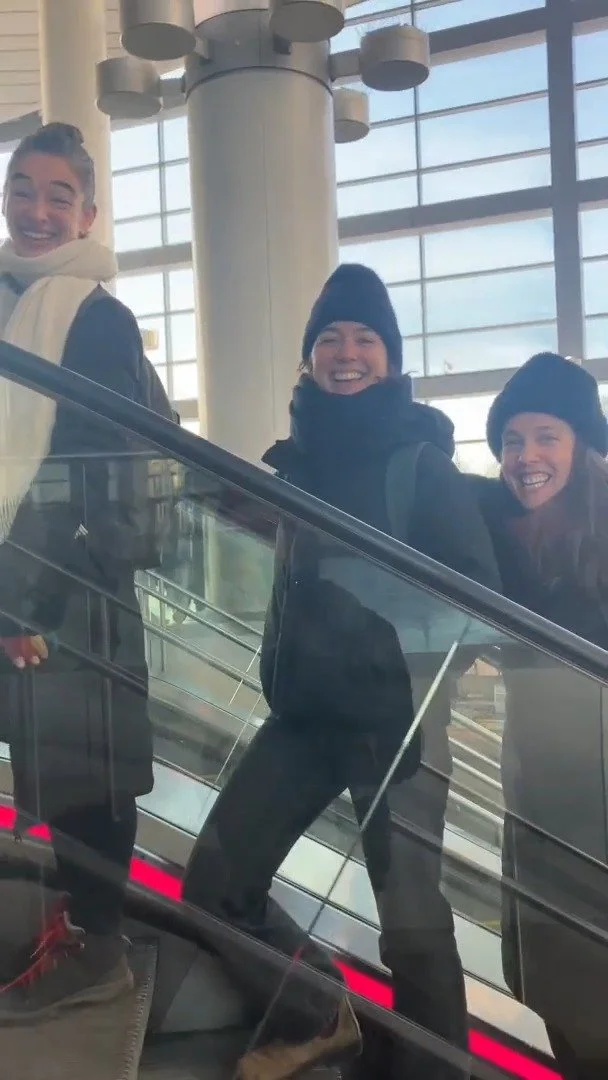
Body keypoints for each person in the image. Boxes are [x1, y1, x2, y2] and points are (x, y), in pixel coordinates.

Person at [182, 264, 502, 1080]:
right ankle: (320, 1013)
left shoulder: (420, 463)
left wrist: (375, 629)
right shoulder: (299, 463)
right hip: (305, 719)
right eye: (331, 338)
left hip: (398, 727)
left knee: (412, 930)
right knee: (215, 879)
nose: (347, 352)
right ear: (309, 356)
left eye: (365, 339)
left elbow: (478, 599)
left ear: (390, 360)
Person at [0, 122, 174, 1022]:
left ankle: (96, 946)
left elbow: (94, 470)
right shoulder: (7, 299)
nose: (37, 210)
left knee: (84, 772)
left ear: (88, 214)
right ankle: (79, 927)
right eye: (22, 189)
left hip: (68, 593)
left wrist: (24, 603)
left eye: (57, 195)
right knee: (60, 764)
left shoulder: (97, 317)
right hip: (21, 582)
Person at [475, 352, 608, 1080]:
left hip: (597, 808)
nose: (526, 457)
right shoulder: (508, 535)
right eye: (512, 440)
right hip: (540, 807)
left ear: (583, 445)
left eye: (547, 437)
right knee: (560, 995)